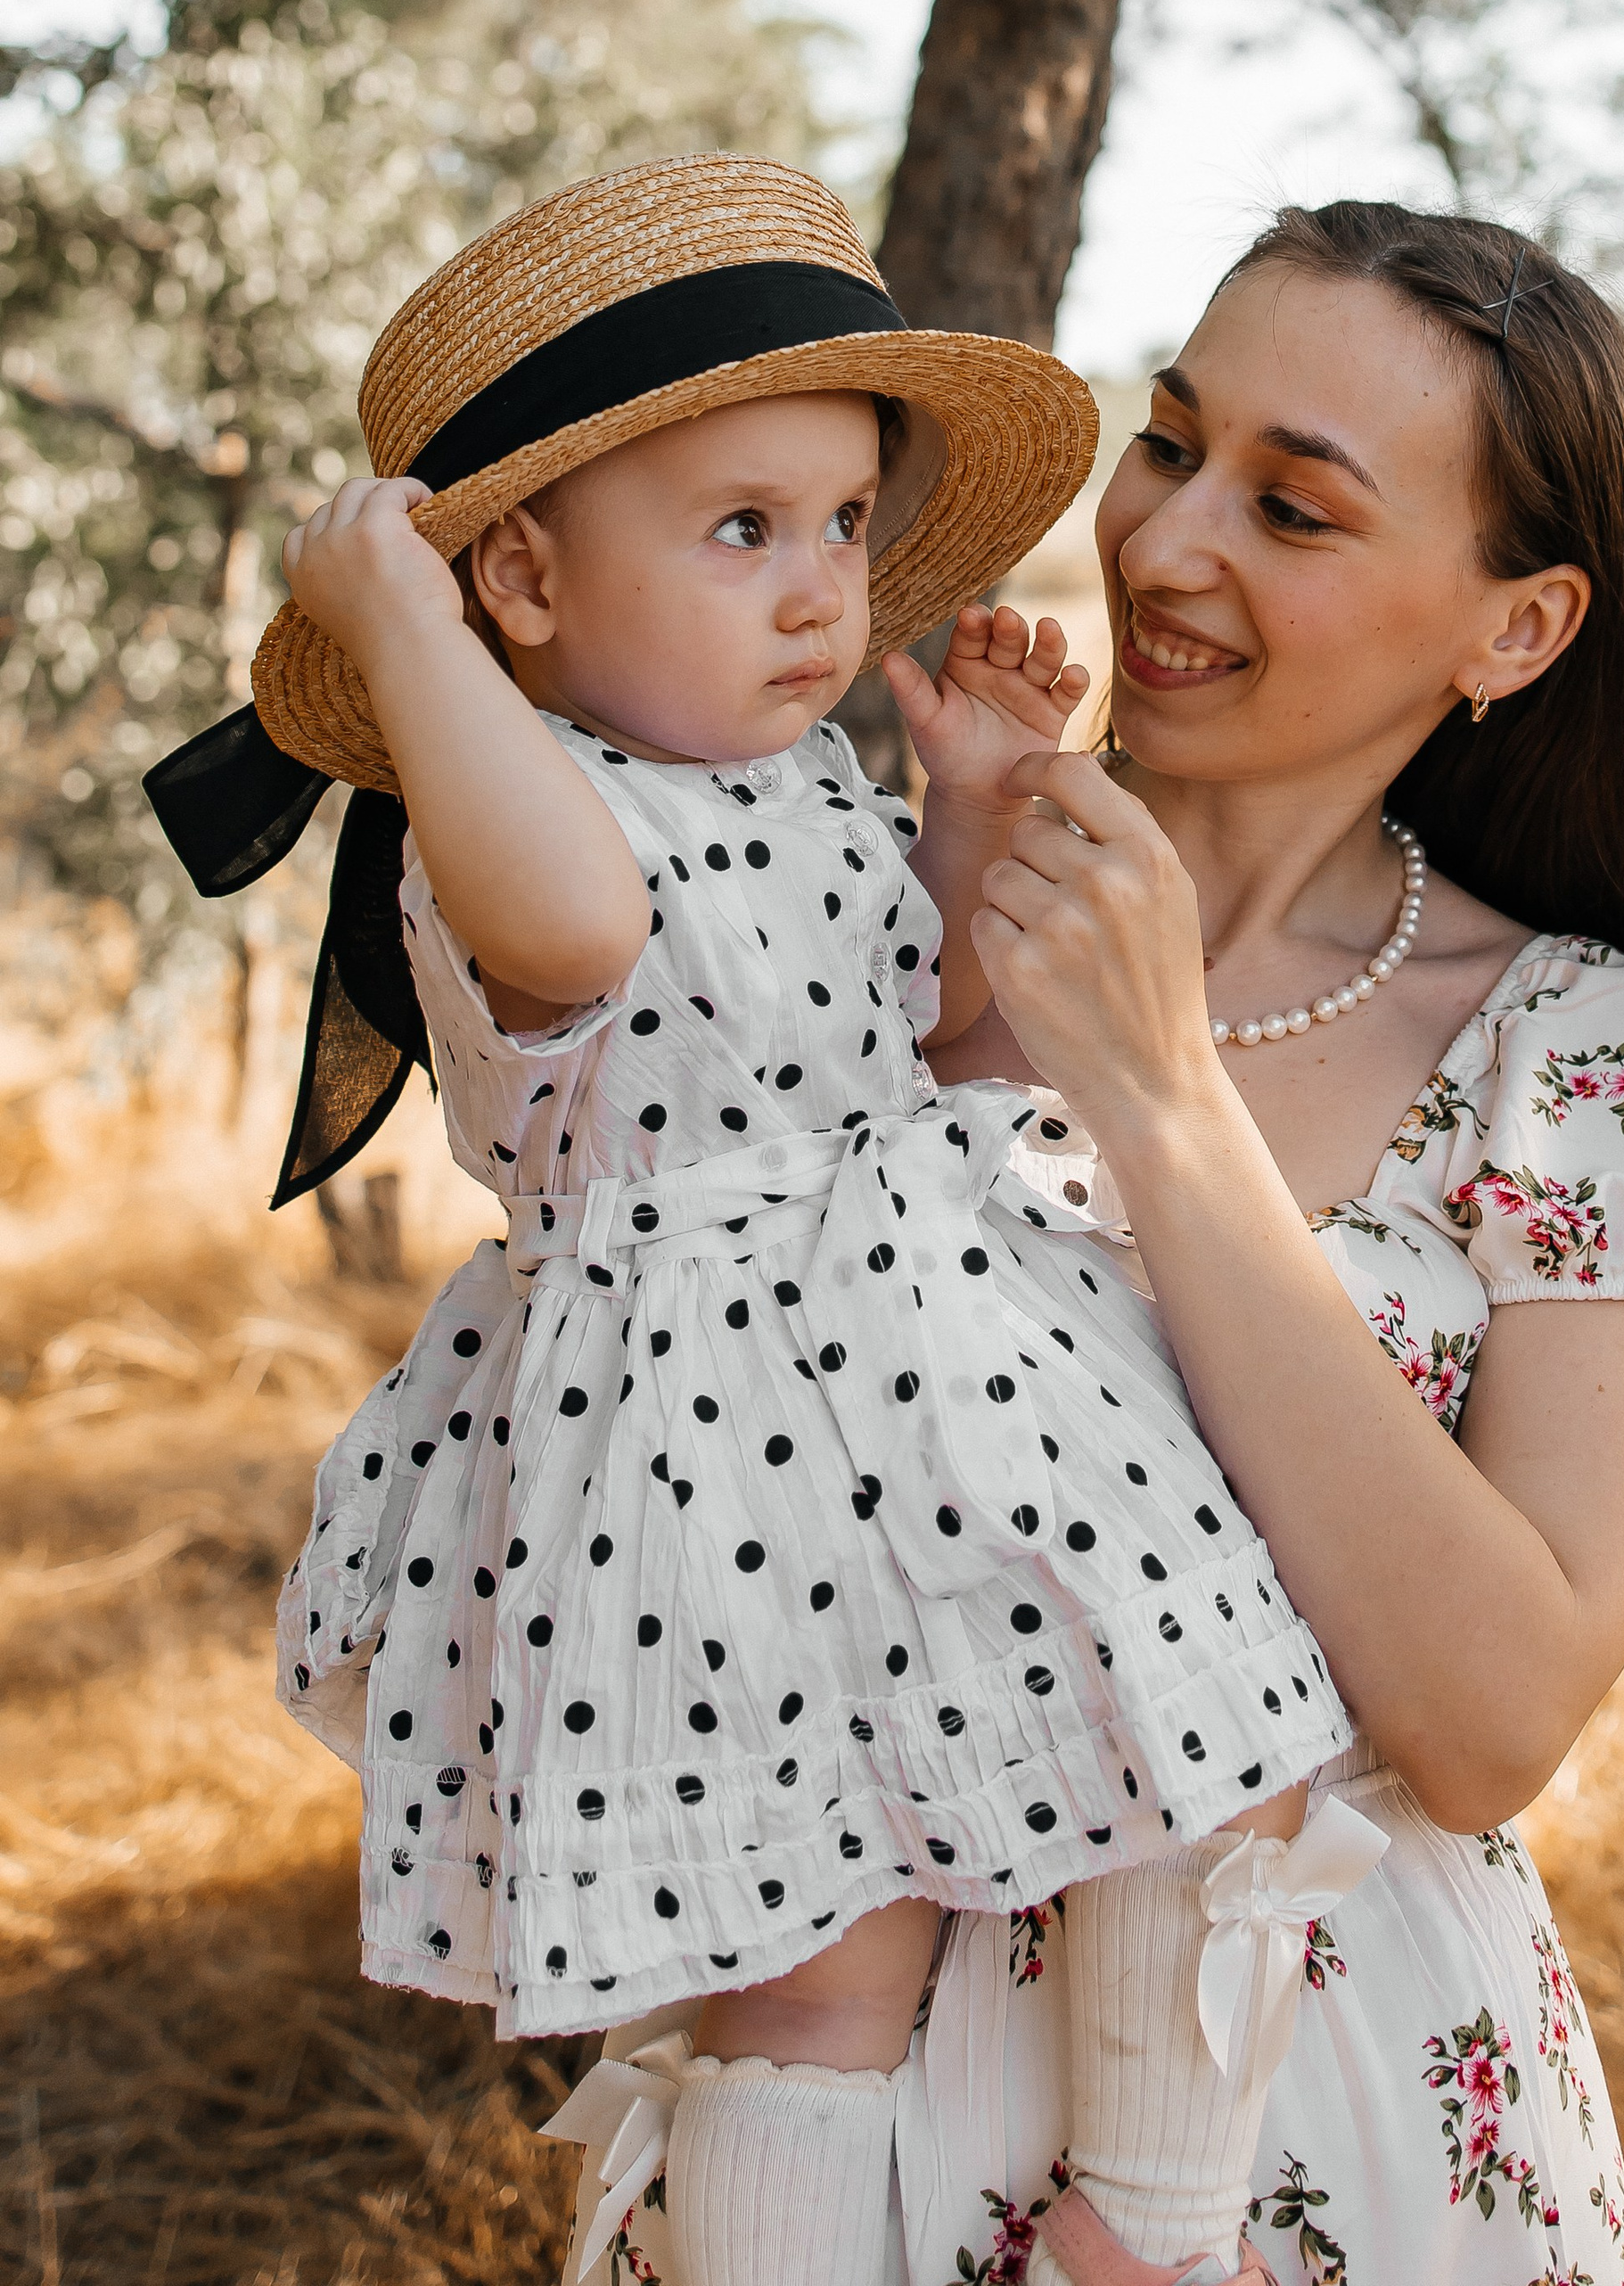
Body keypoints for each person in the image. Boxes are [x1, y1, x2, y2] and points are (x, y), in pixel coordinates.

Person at [559, 196, 1624, 2283]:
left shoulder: (1576, 1058)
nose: (1159, 546)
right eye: (1169, 443)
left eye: (1294, 511)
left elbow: (1488, 1716)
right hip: (817, 2095)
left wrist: (1159, 1094)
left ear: (1511, 629)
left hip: (1307, 2117)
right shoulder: (857, 915)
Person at [147, 160, 1373, 2286]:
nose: (824, 592)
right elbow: (577, 922)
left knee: (1213, 1725)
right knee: (814, 1982)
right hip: (718, 1463)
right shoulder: (511, 825)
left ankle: (1151, 2225)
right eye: (742, 534)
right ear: (518, 583)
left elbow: (947, 1037)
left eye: (839, 525)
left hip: (943, 1380)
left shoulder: (801, 780)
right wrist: (405, 639)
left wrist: (975, 806)